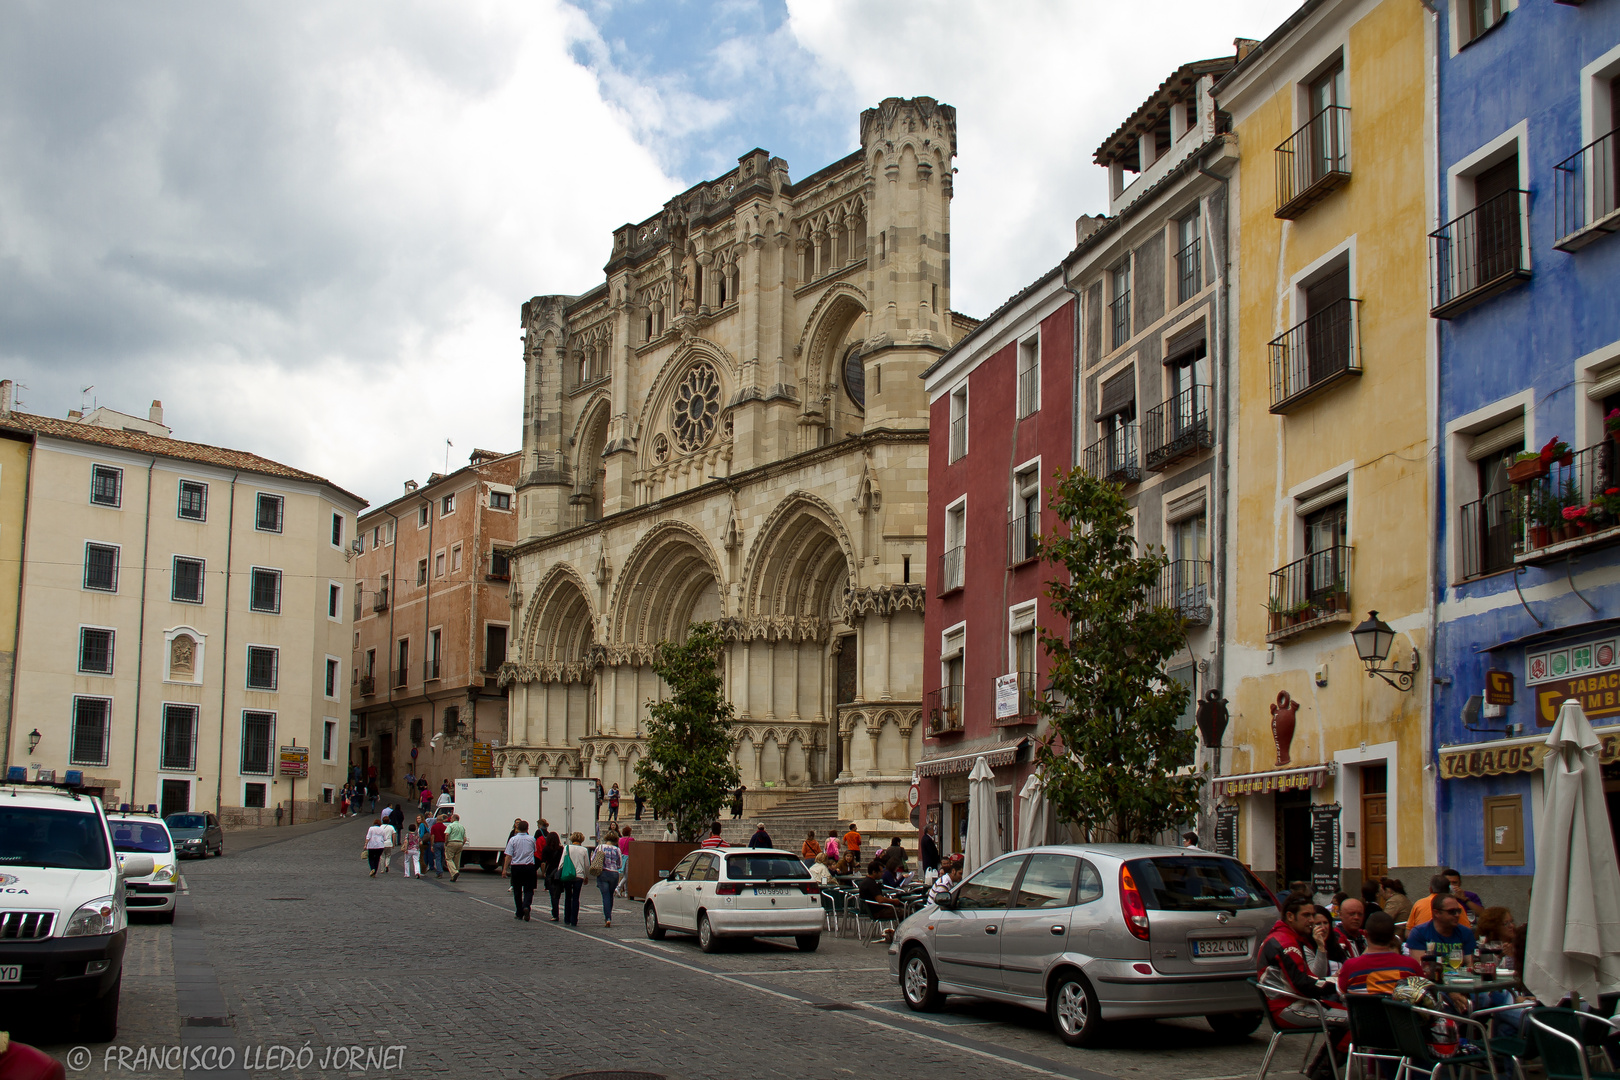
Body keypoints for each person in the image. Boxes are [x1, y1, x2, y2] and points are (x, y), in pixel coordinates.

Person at [1257, 894, 1348, 1068]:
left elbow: (1310, 977)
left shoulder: (1286, 936)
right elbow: (1303, 984)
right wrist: (1336, 985)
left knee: (1350, 1015)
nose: (1312, 921)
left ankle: (1320, 1070)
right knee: (1355, 1019)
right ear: (1290, 916)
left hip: (1295, 1002)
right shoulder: (1285, 942)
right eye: (1306, 916)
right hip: (1289, 1008)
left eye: (1313, 915)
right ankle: (1322, 1073)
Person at [1337, 911, 1424, 995]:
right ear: (1393, 937)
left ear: (1365, 934)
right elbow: (1423, 992)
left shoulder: (1350, 966)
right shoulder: (1411, 966)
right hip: (1397, 1010)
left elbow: (1341, 993)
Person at [1405, 894, 1476, 973]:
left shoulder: (1465, 932)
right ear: (1436, 913)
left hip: (1459, 981)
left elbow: (1471, 964)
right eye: (1451, 911)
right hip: (1433, 981)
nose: (1457, 915)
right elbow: (1422, 968)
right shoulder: (1419, 933)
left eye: (1458, 911)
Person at [1407, 874, 1474, 931]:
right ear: (1449, 890)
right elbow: (1467, 930)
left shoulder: (1419, 904)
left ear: (1430, 889)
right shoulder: (1457, 906)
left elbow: (1409, 931)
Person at [856, 858, 902, 940]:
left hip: (872, 910)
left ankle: (896, 933)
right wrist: (893, 901)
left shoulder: (866, 882)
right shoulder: (871, 883)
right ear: (874, 872)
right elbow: (880, 899)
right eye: (880, 871)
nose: (882, 874)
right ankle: (900, 935)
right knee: (904, 912)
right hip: (877, 912)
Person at [502, 820, 538, 921]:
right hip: (529, 866)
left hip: (516, 866)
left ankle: (519, 912)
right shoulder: (532, 839)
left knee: (517, 890)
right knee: (529, 889)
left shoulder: (513, 840)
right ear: (527, 828)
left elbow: (508, 855)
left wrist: (504, 869)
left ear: (517, 828)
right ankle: (526, 905)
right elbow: (534, 851)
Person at [591, 830, 623, 926]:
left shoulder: (600, 847)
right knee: (610, 895)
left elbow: (593, 860)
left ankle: (607, 917)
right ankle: (609, 915)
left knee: (605, 896)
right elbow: (620, 865)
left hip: (603, 873)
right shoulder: (617, 849)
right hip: (614, 874)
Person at [561, 831, 589, 926]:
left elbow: (562, 863)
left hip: (568, 875)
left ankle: (567, 918)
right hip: (579, 875)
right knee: (576, 898)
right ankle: (574, 919)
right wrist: (586, 876)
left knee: (568, 897)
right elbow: (586, 865)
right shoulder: (584, 850)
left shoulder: (567, 848)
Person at [540, 829, 564, 921]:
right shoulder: (561, 849)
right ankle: (556, 911)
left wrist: (543, 873)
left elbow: (543, 862)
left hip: (550, 872)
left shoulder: (546, 849)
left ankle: (555, 913)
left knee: (552, 894)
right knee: (557, 893)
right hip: (558, 872)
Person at [444, 813, 466, 882]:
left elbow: (447, 834)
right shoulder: (462, 827)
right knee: (457, 859)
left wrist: (446, 842)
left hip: (452, 842)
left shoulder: (450, 826)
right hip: (460, 843)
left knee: (449, 859)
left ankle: (454, 872)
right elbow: (465, 838)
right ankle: (454, 874)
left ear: (454, 819)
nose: (450, 819)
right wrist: (462, 844)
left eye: (451, 818)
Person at [402, 815, 423, 879]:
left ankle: (407, 874)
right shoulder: (417, 835)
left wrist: (405, 849)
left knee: (407, 861)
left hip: (409, 849)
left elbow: (406, 842)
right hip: (416, 849)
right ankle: (417, 872)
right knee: (416, 861)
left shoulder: (408, 835)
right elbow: (421, 842)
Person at [427, 814, 448, 878]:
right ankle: (440, 869)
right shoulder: (444, 827)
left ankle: (439, 871)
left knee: (437, 858)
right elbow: (446, 835)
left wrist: (432, 845)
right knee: (442, 857)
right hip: (443, 843)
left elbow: (432, 836)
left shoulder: (434, 827)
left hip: (436, 843)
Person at [616, 826, 632, 898]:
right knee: (627, 875)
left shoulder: (620, 840)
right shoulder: (631, 839)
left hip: (622, 857)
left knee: (625, 875)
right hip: (628, 857)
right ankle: (619, 887)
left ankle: (626, 892)